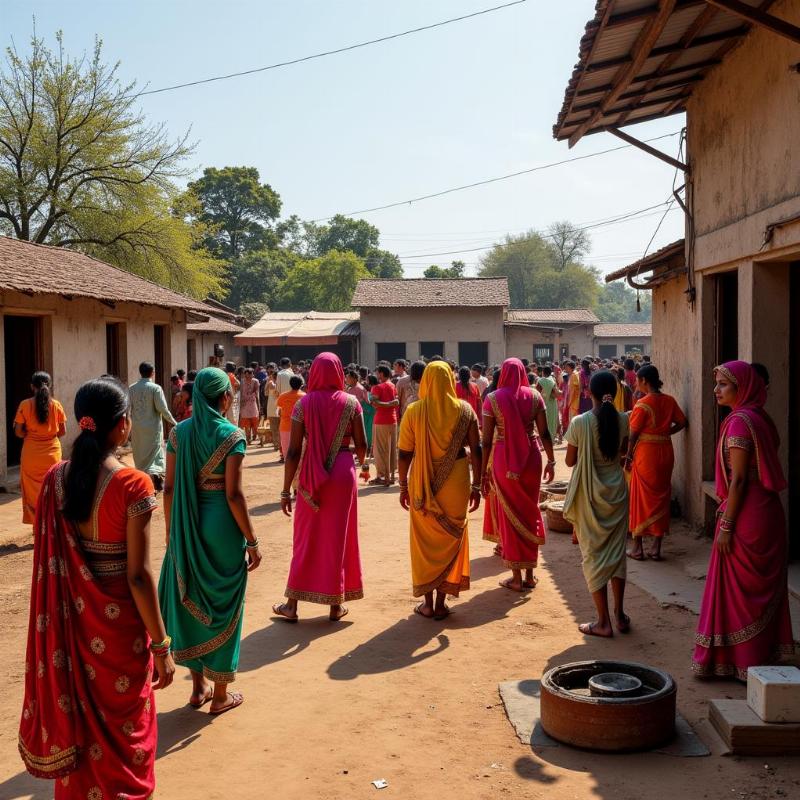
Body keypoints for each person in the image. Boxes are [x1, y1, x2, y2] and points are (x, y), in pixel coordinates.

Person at [18, 378, 174, 797]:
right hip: (121, 630)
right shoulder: (134, 484)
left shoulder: (54, 480)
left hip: (74, 630)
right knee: (128, 734)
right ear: (122, 425)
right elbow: (138, 576)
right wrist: (161, 646)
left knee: (83, 731)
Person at [158, 367, 261, 715]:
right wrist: (252, 540)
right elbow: (234, 495)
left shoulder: (179, 434)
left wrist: (173, 533)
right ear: (225, 398)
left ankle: (197, 686)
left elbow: (169, 488)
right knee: (225, 605)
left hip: (186, 523)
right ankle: (219, 695)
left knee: (193, 602)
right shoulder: (232, 436)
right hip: (222, 527)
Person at [692, 361, 795, 680]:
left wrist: (726, 525)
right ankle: (758, 656)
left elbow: (738, 481)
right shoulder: (762, 419)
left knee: (739, 594)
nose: (716, 390)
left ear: (744, 387)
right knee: (751, 593)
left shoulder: (739, 423)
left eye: (723, 384)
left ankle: (739, 663)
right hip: (766, 512)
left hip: (747, 515)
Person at [273, 353, 367, 622]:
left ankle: (292, 605)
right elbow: (361, 443)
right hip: (343, 471)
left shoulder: (304, 405)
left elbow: (292, 452)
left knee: (305, 538)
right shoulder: (351, 403)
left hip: (311, 475)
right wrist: (362, 464)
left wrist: (284, 490)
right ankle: (335, 606)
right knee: (339, 537)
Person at [398, 360, 481, 620]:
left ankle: (427, 603)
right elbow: (476, 451)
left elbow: (404, 453)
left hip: (422, 482)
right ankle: (442, 602)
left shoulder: (414, 411)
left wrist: (402, 485)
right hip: (456, 480)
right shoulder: (465, 410)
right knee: (451, 538)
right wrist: (477, 484)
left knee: (424, 542)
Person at [563, 370, 631, 637]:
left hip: (591, 498)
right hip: (617, 493)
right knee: (617, 556)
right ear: (614, 393)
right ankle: (620, 615)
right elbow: (623, 452)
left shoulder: (580, 423)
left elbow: (569, 462)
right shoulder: (624, 419)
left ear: (587, 392)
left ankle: (603, 622)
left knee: (593, 557)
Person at [481, 358, 555, 591]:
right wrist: (552, 460)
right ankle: (530, 574)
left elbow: (485, 441)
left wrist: (483, 471)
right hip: (531, 457)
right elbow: (544, 432)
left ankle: (515, 576)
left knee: (509, 513)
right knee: (529, 510)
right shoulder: (535, 396)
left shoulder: (492, 399)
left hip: (504, 458)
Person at [624, 365, 688, 561]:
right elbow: (682, 422)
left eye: (637, 380)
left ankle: (637, 547)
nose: (635, 382)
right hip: (665, 451)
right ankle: (656, 547)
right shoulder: (669, 400)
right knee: (661, 496)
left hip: (647, 454)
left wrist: (627, 456)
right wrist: (664, 433)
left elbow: (633, 435)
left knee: (641, 498)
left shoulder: (643, 405)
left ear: (644, 380)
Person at [13, 371, 67, 524]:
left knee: (32, 491)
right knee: (52, 489)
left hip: (31, 454)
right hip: (52, 454)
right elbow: (62, 431)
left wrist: (30, 435)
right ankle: (51, 525)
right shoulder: (56, 405)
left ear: (32, 387)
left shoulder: (25, 404)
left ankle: (37, 528)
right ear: (49, 386)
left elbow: (18, 432)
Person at [129, 362, 176, 491]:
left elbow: (128, 409)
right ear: (152, 373)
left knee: (140, 454)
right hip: (153, 428)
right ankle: (155, 480)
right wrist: (174, 422)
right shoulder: (156, 388)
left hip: (137, 429)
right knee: (154, 454)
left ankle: (143, 482)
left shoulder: (132, 388)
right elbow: (163, 409)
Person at [371, 364, 399, 486]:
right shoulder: (393, 385)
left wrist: (386, 404)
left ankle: (381, 476)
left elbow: (375, 403)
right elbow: (396, 401)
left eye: (378, 373)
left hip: (381, 421)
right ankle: (390, 476)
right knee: (392, 449)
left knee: (380, 450)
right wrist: (390, 404)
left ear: (382, 373)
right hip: (392, 420)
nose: (377, 375)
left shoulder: (378, 387)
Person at [277, 375, 306, 460]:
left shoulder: (283, 396)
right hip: (300, 428)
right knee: (300, 455)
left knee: (287, 455)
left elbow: (278, 410)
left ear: (290, 384)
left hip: (285, 427)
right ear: (301, 384)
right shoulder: (304, 396)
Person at [537, 365, 560, 443]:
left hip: (543, 404)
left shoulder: (540, 381)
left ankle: (544, 440)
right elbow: (556, 393)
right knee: (552, 421)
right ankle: (552, 438)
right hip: (552, 404)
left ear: (543, 372)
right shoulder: (552, 380)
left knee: (544, 422)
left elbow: (537, 393)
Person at [239, 367, 261, 444]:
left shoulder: (255, 381)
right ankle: (248, 438)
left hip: (253, 404)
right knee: (246, 423)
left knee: (255, 422)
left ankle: (254, 435)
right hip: (244, 405)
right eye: (246, 376)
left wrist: (259, 406)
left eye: (249, 375)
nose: (247, 377)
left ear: (252, 375)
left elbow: (257, 395)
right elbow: (240, 394)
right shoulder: (242, 382)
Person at [266, 366, 281, 455]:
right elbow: (273, 388)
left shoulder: (272, 382)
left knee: (276, 428)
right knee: (275, 428)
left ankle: (278, 444)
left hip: (275, 407)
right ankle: (276, 444)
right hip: (273, 407)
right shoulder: (272, 383)